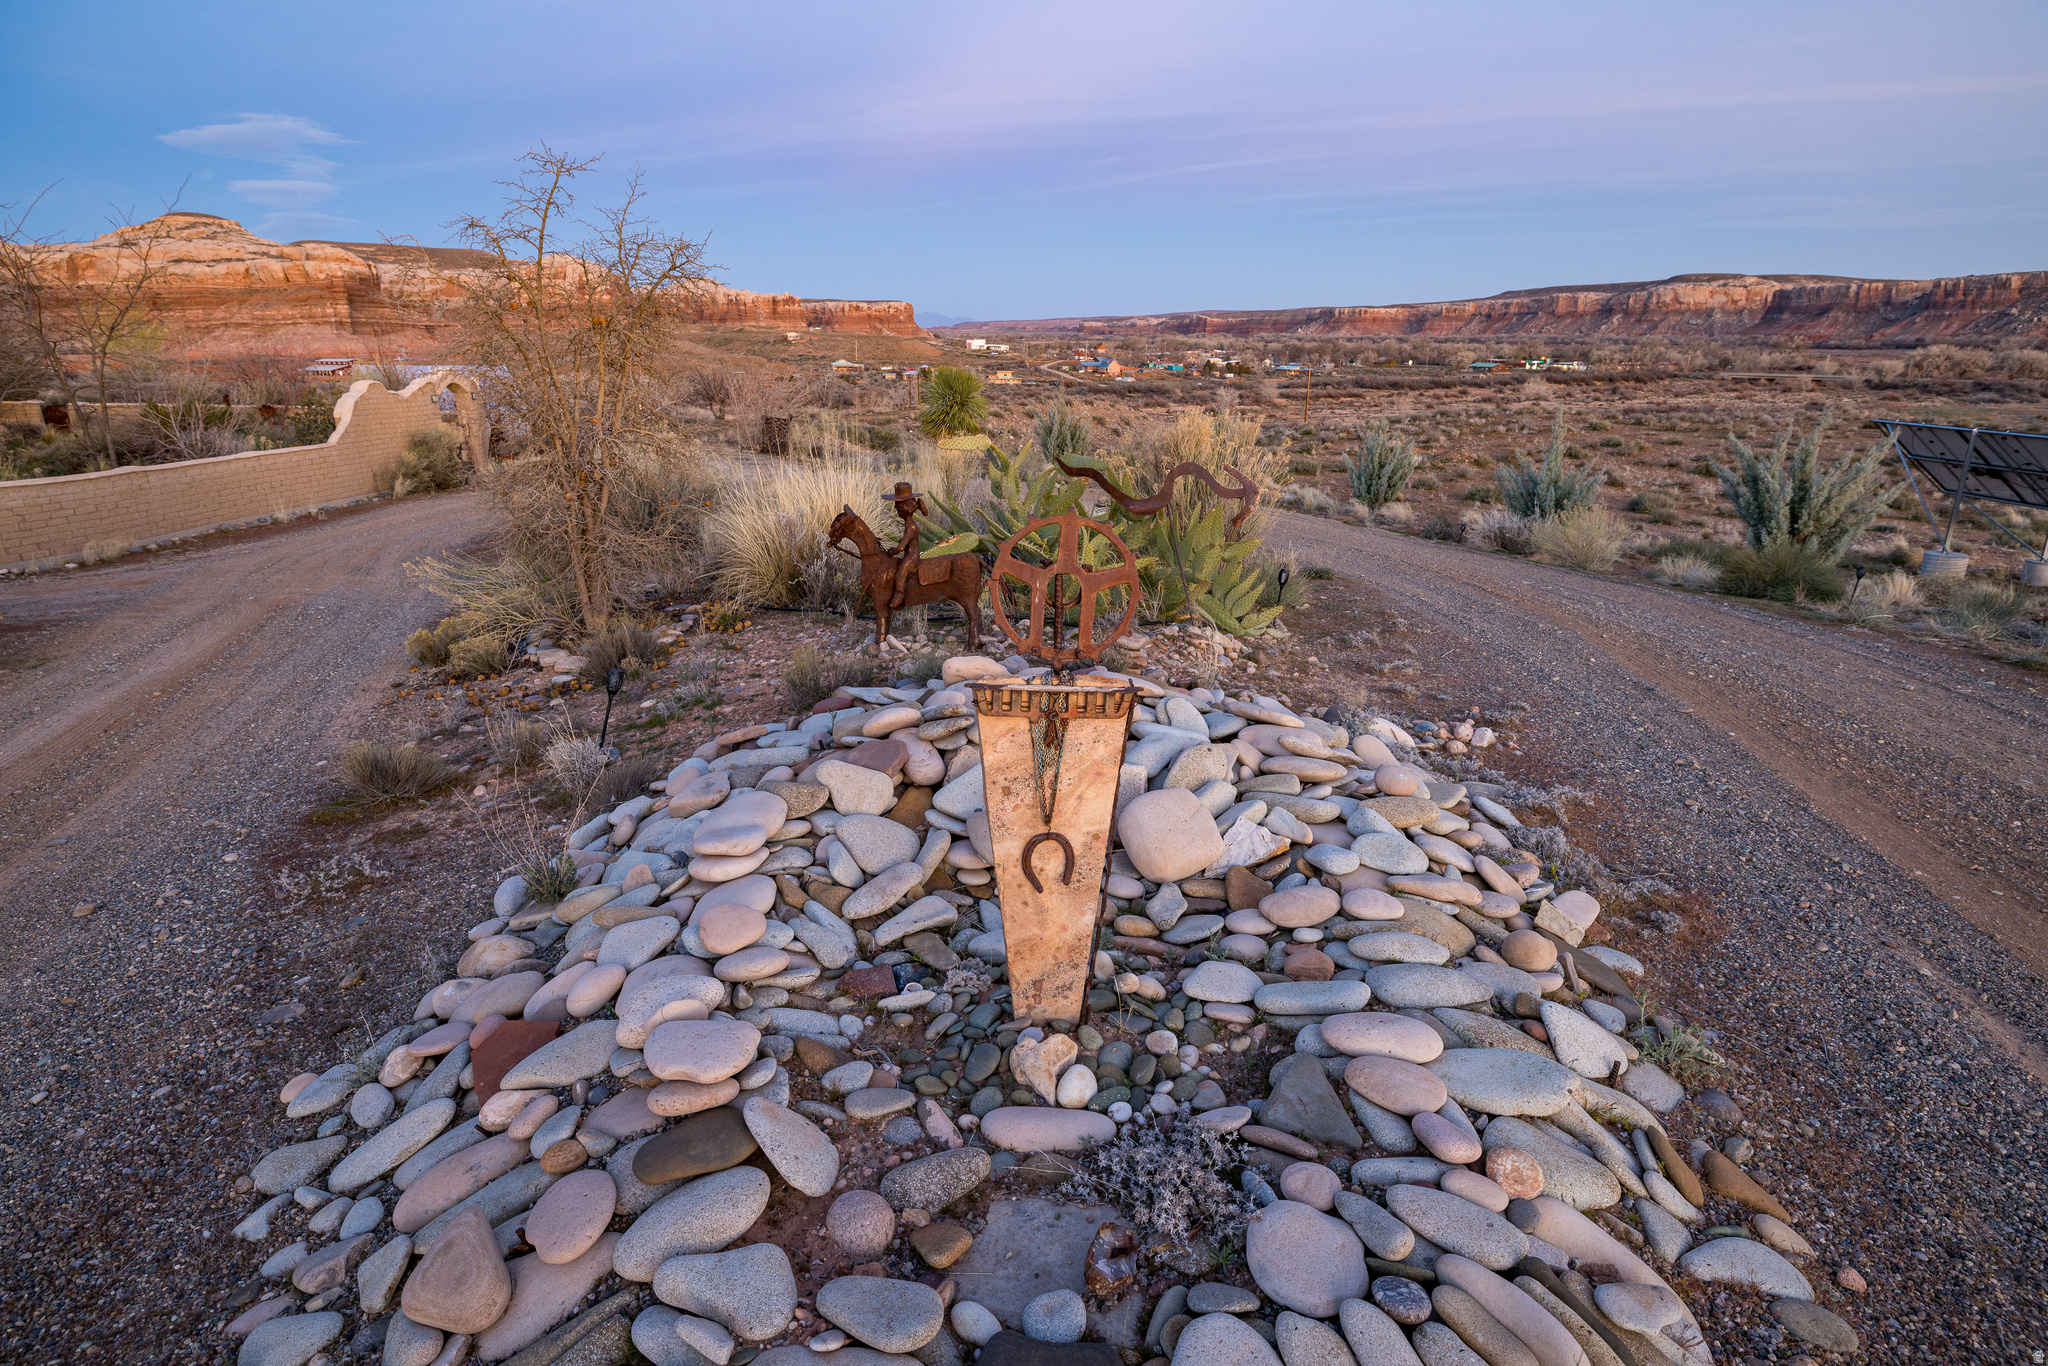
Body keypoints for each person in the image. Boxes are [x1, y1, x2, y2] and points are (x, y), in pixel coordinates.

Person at [887, 481, 928, 609]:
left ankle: (899, 595)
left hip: (911, 557)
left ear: (903, 509)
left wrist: (893, 551)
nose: (896, 510)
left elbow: (901, 547)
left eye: (897, 508)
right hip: (910, 554)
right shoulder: (910, 524)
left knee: (901, 573)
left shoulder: (910, 526)